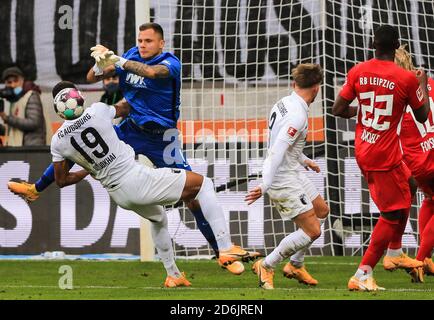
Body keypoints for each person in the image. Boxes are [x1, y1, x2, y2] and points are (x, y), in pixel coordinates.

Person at [7, 23, 257, 274]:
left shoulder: (170, 63)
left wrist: (120, 61)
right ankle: (35, 188)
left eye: (148, 41)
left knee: (193, 197)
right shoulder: (130, 55)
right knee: (76, 142)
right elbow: (93, 78)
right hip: (132, 128)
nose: (142, 44)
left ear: (161, 43)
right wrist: (101, 64)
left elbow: (150, 73)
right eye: (140, 40)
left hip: (163, 137)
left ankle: (220, 252)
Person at [49, 81, 256, 287]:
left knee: (158, 218)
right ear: (80, 99)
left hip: (118, 194)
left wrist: (89, 169)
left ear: (59, 112)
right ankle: (225, 246)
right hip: (135, 178)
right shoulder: (98, 111)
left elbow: (61, 181)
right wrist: (139, 84)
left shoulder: (58, 141)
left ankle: (173, 275)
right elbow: (125, 107)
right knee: (204, 185)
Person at [332, 25, 430, 291]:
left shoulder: (358, 71)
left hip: (365, 147)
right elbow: (422, 116)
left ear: (372, 44)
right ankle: (362, 273)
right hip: (383, 154)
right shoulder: (405, 78)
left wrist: (363, 109)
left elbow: (337, 109)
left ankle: (395, 252)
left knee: (409, 184)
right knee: (393, 212)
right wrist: (421, 83)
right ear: (397, 45)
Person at [245, 63, 329, 289]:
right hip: (282, 178)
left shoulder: (284, 103)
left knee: (322, 210)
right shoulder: (297, 115)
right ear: (316, 89)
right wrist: (265, 184)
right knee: (313, 231)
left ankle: (296, 264)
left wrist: (304, 160)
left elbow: (284, 143)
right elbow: (277, 150)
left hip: (291, 170)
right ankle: (268, 265)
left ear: (295, 84)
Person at [381, 45, 434, 282]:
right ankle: (421, 260)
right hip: (430, 153)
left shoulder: (391, 93)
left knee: (431, 199)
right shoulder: (424, 84)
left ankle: (425, 258)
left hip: (414, 161)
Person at [0, 66, 46, 146]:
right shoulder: (15, 100)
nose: (13, 85)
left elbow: (33, 123)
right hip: (20, 150)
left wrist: (6, 118)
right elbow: (15, 130)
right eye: (9, 82)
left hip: (32, 149)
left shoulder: (31, 95)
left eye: (15, 81)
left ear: (22, 81)